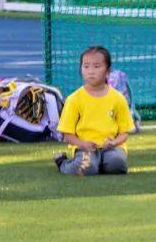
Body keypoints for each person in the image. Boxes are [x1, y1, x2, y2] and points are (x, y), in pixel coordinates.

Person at [54, 46, 135, 176]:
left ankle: (101, 163)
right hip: (85, 148)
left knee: (117, 165)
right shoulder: (74, 99)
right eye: (86, 66)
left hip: (112, 147)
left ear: (107, 71)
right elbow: (67, 134)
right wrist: (82, 144)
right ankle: (63, 163)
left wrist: (114, 143)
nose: (91, 71)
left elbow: (124, 133)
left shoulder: (118, 98)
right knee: (86, 168)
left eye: (97, 66)